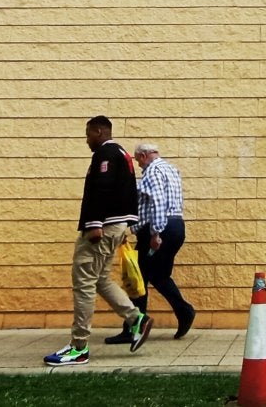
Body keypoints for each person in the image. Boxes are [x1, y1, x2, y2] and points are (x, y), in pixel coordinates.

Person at [44, 116, 153, 366]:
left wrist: (94, 223)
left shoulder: (106, 154)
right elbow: (126, 193)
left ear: (99, 131)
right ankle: (136, 319)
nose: (87, 140)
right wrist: (124, 225)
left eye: (88, 134)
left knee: (83, 282)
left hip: (102, 228)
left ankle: (78, 347)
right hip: (115, 226)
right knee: (101, 278)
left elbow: (101, 190)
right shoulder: (121, 154)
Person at [106, 143, 196, 343]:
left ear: (144, 155)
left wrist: (155, 233)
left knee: (138, 276)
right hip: (176, 227)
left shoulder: (153, 171)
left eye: (138, 160)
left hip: (158, 230)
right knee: (159, 275)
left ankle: (133, 329)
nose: (139, 165)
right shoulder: (171, 169)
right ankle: (184, 311)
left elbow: (157, 202)